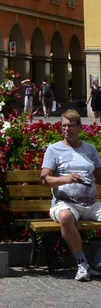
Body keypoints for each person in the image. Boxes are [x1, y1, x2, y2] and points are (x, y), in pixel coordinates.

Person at [41, 109, 101, 281]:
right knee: (65, 217)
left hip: (90, 204)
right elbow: (44, 180)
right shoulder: (54, 150)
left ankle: (97, 262)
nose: (67, 129)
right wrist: (67, 179)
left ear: (80, 127)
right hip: (65, 202)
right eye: (64, 126)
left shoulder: (89, 149)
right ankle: (82, 263)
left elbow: (99, 176)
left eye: (71, 126)